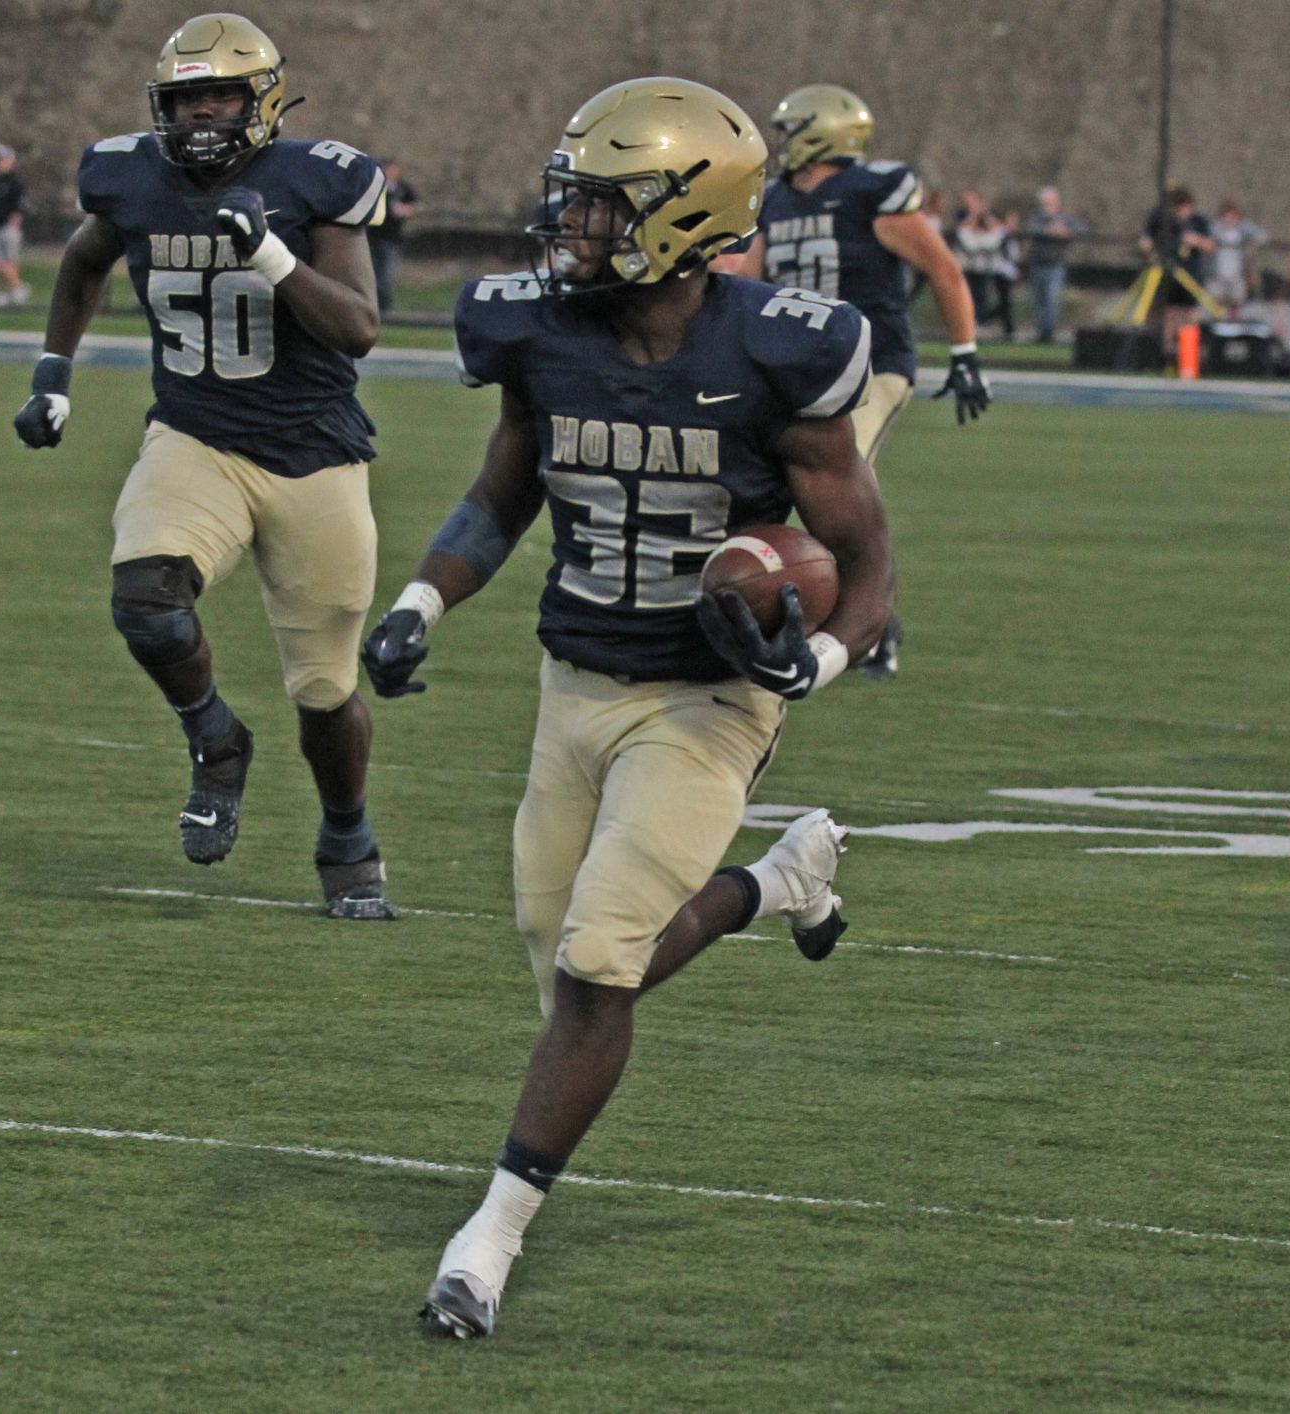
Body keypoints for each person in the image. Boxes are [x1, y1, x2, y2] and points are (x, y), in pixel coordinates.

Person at [367, 77, 893, 1339]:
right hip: (572, 685)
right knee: (577, 981)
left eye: (601, 205)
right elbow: (502, 495)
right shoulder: (538, 333)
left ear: (684, 213)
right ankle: (774, 885)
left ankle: (484, 1242)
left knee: (600, 964)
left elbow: (866, 569)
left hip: (707, 700)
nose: (574, 227)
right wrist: (419, 605)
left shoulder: (779, 348)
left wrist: (804, 667)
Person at [10, 12, 400, 919]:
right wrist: (53, 373)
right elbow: (82, 265)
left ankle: (349, 838)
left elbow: (359, 328)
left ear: (261, 98)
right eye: (185, 98)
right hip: (194, 437)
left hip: (313, 456)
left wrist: (269, 253)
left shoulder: (315, 182)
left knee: (325, 691)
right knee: (144, 599)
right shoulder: (131, 178)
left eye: (220, 94)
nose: (201, 115)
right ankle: (214, 738)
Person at [718, 82, 988, 681]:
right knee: (753, 484)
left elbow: (941, 268)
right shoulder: (777, 202)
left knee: (839, 485)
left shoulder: (872, 193)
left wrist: (965, 352)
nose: (783, 143)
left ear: (822, 131)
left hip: (871, 366)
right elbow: (742, 286)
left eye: (792, 130)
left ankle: (871, 627)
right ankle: (762, 613)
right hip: (792, 370)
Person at [1139, 183, 1216, 353]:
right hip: (1169, 272)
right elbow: (1151, 238)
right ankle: (1167, 350)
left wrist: (1197, 240)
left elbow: (1211, 245)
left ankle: (1191, 351)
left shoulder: (1199, 220)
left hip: (1191, 274)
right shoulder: (1166, 221)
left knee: (1189, 312)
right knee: (1170, 311)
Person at [1021, 185, 1084, 342]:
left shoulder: (1066, 218)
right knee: (1038, 299)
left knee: (1052, 299)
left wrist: (1065, 232)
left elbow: (1081, 230)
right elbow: (1031, 230)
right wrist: (1048, 230)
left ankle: (1049, 333)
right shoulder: (1036, 218)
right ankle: (1040, 332)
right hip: (1037, 263)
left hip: (1056, 265)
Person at [954, 189, 1012, 341]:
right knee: (966, 296)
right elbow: (963, 234)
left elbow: (998, 232)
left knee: (982, 296)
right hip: (967, 265)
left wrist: (984, 215)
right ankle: (967, 325)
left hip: (984, 265)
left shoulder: (989, 217)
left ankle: (980, 324)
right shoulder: (961, 215)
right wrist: (973, 216)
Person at [0, 144, 28, 307]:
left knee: (11, 260)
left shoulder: (16, 181)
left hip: (9, 225)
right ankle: (18, 287)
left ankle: (13, 293)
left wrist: (14, 222)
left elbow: (20, 205)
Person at [367, 159, 416, 314]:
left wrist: (403, 210)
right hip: (373, 237)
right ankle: (372, 307)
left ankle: (385, 310)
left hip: (392, 239)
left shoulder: (402, 189)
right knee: (372, 274)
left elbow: (412, 205)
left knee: (386, 276)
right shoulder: (375, 188)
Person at [1209, 200, 1268, 314]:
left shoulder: (1243, 229)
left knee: (1237, 301)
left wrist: (1252, 244)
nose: (1230, 220)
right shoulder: (1215, 229)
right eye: (1226, 217)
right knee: (1217, 301)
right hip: (1218, 275)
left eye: (1233, 217)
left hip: (1237, 275)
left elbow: (1263, 236)